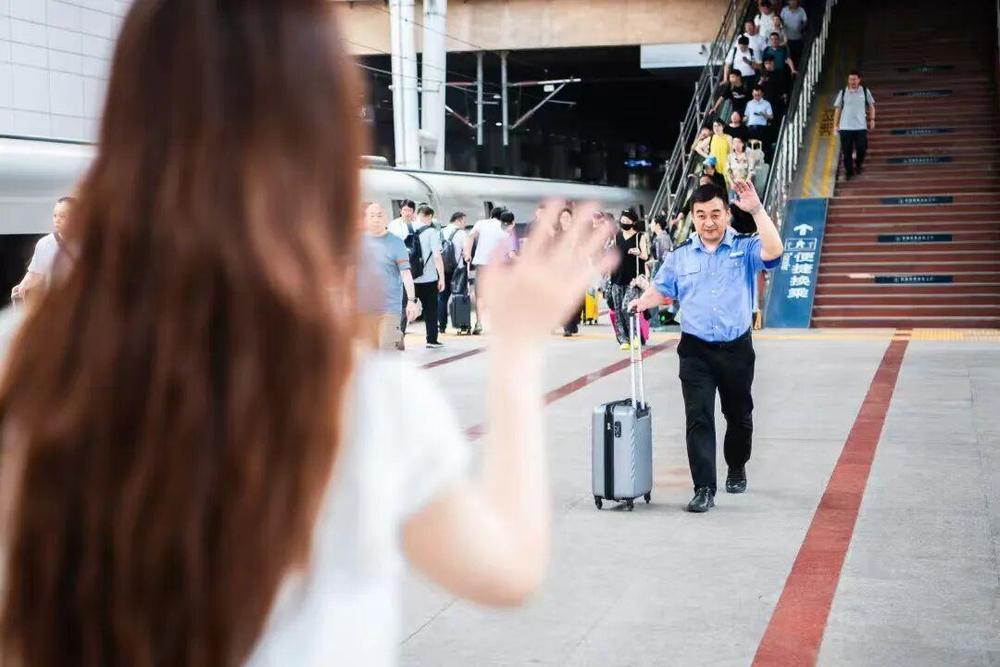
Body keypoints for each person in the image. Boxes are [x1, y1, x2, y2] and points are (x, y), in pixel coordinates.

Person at [0, 3, 619, 666]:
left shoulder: (22, 363)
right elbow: (509, 567)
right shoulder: (364, 403)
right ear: (320, 144)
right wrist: (517, 348)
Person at [628, 181, 783, 513]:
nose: (709, 222)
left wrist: (756, 209)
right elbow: (662, 290)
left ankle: (737, 465)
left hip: (736, 349)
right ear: (692, 218)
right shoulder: (680, 255)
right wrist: (643, 301)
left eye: (715, 214)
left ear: (727, 214)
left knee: (739, 416)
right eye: (701, 215)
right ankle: (703, 488)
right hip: (695, 350)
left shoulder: (744, 248)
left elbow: (774, 252)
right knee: (698, 417)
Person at [360, 202, 419, 351]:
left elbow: (406, 273)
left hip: (389, 308)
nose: (376, 219)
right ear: (365, 219)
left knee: (387, 352)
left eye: (379, 215)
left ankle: (394, 335)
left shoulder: (396, 243)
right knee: (368, 355)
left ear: (386, 219)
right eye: (371, 216)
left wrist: (411, 301)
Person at [10, 196, 77, 305]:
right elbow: (36, 273)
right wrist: (23, 286)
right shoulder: (45, 243)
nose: (57, 220)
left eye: (62, 216)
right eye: (55, 216)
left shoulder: (88, 243)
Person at [464, 206, 514, 335]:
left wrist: (467, 254)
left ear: (491, 215)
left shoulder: (481, 223)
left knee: (480, 296)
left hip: (482, 265)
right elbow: (509, 252)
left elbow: (470, 237)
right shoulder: (505, 228)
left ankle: (479, 323)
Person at [605, 209, 648, 351]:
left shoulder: (639, 237)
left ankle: (635, 336)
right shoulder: (617, 236)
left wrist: (639, 253)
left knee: (627, 307)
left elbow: (646, 256)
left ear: (633, 222)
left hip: (634, 280)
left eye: (626, 221)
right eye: (622, 221)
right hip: (617, 278)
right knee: (618, 310)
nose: (623, 223)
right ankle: (623, 339)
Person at [410, 205, 446, 348]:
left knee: (404, 309)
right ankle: (431, 340)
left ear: (417, 214)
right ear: (430, 217)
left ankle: (396, 338)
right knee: (431, 310)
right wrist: (441, 278)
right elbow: (437, 257)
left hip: (409, 277)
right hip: (428, 278)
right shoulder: (432, 232)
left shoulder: (407, 228)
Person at [833, 71, 876, 180]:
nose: (852, 81)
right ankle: (849, 171)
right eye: (850, 79)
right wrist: (835, 125)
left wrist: (872, 119)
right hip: (845, 128)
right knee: (846, 151)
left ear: (859, 80)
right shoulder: (843, 92)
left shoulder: (865, 91)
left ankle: (858, 163)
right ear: (848, 80)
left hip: (860, 127)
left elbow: (871, 106)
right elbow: (838, 109)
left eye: (854, 79)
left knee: (862, 148)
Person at [438, 211, 468, 334]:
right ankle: (461, 325)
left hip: (443, 270)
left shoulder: (440, 232)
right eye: (464, 221)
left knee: (442, 298)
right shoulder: (461, 233)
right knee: (459, 296)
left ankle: (442, 326)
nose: (465, 225)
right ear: (459, 220)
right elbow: (466, 252)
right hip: (458, 270)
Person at [781, 0, 808, 64]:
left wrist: (801, 27)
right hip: (786, 39)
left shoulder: (801, 10)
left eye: (794, 0)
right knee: (788, 57)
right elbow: (780, 20)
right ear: (788, 1)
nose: (793, 2)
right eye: (791, 1)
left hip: (797, 38)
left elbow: (805, 22)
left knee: (797, 56)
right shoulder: (784, 10)